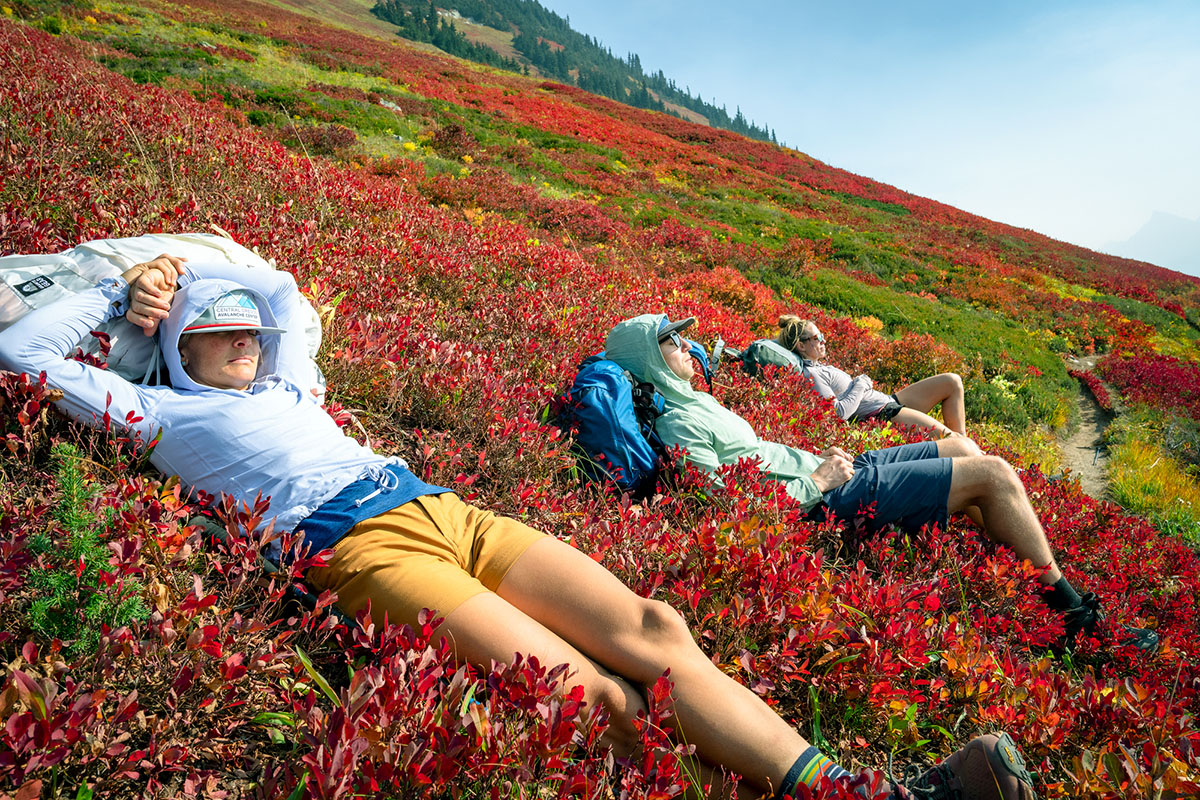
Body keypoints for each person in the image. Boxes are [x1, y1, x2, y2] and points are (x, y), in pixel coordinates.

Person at [0, 256, 1037, 800]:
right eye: (213, 326)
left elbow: (285, 297)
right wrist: (120, 297)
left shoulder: (292, 376)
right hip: (354, 546)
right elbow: (26, 360)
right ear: (178, 348)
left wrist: (184, 260)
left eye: (244, 326)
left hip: (443, 504)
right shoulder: (164, 410)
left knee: (657, 627)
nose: (242, 333)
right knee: (594, 699)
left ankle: (858, 790)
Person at [605, 314, 1158, 658]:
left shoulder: (690, 399)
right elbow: (725, 509)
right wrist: (815, 480)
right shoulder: (677, 423)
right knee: (996, 475)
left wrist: (816, 462)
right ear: (649, 357)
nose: (685, 345)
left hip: (822, 471)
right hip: (820, 500)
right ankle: (1075, 622)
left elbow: (755, 459)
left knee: (966, 449)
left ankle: (1015, 576)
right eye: (672, 341)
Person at [748, 315, 966, 438]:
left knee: (952, 381)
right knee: (951, 439)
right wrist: (860, 384)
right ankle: (967, 454)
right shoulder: (811, 374)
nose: (823, 340)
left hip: (890, 399)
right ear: (801, 345)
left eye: (822, 335)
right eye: (817, 337)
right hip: (884, 413)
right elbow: (839, 414)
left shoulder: (817, 365)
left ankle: (966, 451)